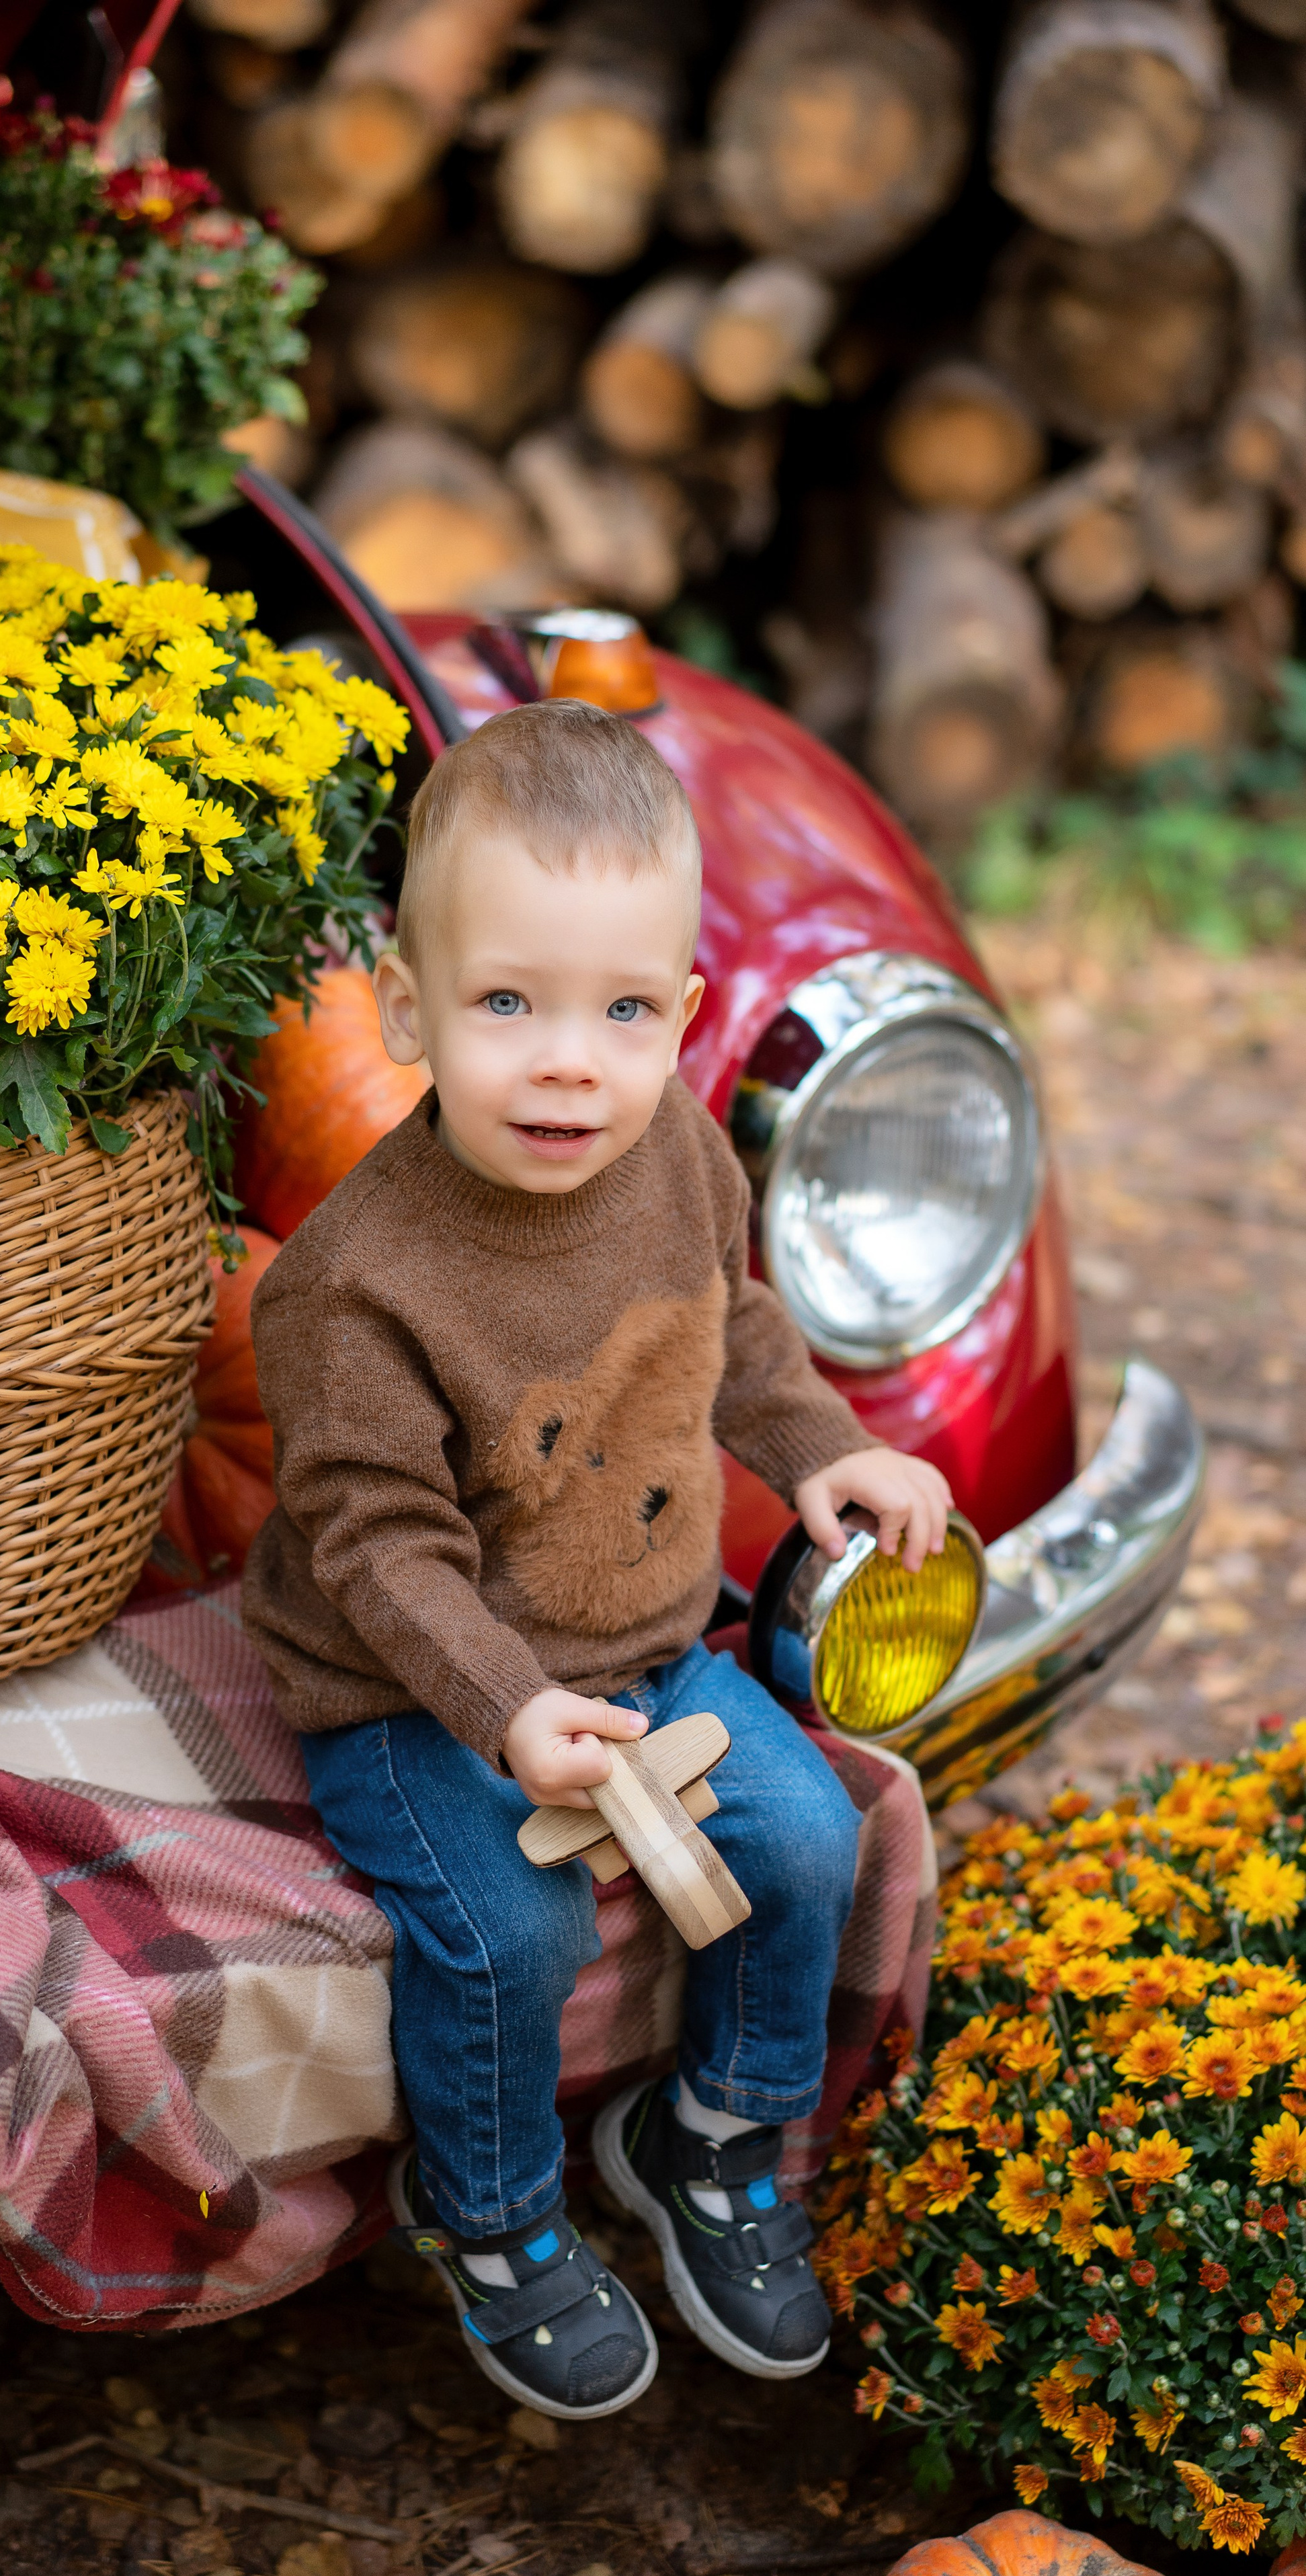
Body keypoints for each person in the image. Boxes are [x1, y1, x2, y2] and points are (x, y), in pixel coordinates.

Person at [242, 699, 952, 2420]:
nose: (568, 1060)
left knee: (801, 1837)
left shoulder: (676, 1153)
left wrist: (825, 1452)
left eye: (621, 1010)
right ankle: (483, 2213)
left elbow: (746, 1336)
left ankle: (705, 2134)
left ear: (680, 1021)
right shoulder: (354, 1286)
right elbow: (380, 1547)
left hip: (646, 1647)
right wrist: (505, 1713)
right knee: (505, 1924)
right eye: (506, 1005)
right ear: (406, 1010)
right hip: (415, 1686)